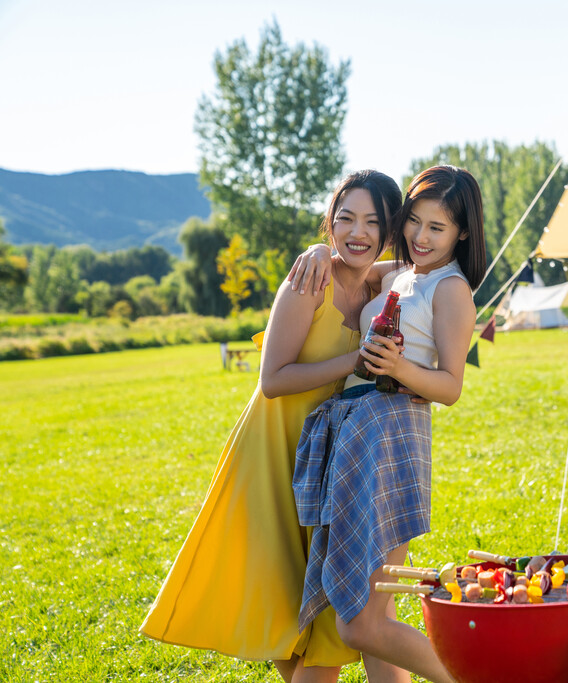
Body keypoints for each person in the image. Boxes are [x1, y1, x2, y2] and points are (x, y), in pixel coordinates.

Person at [140, 170, 408, 683]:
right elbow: (272, 379)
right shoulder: (309, 281)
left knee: (321, 606)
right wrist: (355, 361)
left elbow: (430, 262)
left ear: (389, 229)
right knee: (290, 607)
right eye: (345, 217)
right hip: (274, 454)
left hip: (331, 461)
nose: (358, 232)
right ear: (329, 222)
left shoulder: (378, 281)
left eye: (373, 222)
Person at [288, 165, 486, 683]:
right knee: (374, 615)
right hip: (358, 431)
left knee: (360, 625)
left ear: (462, 232)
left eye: (437, 228)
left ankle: (471, 675)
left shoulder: (451, 289)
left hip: (393, 430)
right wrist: (317, 251)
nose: (421, 237)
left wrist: (399, 368)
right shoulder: (402, 273)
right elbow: (352, 266)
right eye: (414, 222)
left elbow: (451, 387)